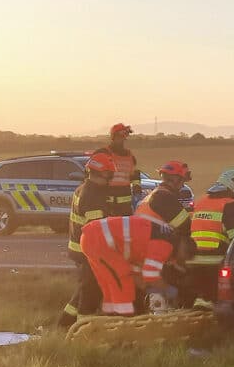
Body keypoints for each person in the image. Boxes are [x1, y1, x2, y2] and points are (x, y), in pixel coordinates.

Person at [79, 215, 196, 316]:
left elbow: (138, 269)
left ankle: (111, 319)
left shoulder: (165, 236)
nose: (176, 262)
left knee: (111, 284)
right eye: (182, 260)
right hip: (99, 240)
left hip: (94, 238)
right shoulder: (165, 245)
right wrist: (169, 290)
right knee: (122, 280)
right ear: (183, 251)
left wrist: (147, 287)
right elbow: (150, 274)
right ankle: (123, 322)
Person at [57, 153, 116, 327]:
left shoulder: (82, 188)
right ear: (100, 173)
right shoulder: (93, 195)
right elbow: (95, 231)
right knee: (90, 291)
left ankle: (64, 324)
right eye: (108, 174)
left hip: (78, 249)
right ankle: (83, 327)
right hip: (88, 253)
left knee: (82, 290)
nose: (111, 178)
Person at [186, 168, 234, 311]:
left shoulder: (202, 202)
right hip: (215, 258)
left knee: (202, 299)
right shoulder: (230, 204)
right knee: (220, 299)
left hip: (194, 259)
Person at [91, 123, 142, 216]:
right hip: (107, 204)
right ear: (113, 137)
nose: (122, 139)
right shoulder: (103, 153)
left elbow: (135, 175)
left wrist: (137, 190)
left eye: (124, 136)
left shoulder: (130, 156)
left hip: (125, 206)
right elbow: (92, 174)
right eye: (119, 136)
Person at [135, 160, 192, 237]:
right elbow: (185, 226)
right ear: (175, 179)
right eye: (182, 181)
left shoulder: (157, 193)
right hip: (154, 242)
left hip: (146, 238)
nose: (182, 186)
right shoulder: (163, 196)